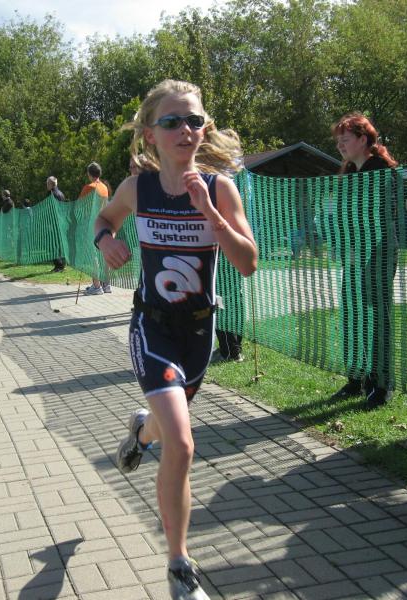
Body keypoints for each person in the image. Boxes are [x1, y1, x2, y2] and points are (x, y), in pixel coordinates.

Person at [94, 79, 257, 599]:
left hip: (199, 332)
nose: (185, 129)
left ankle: (141, 433)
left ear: (203, 129)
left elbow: (248, 263)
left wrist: (211, 214)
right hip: (153, 328)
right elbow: (104, 219)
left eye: (194, 120)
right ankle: (179, 565)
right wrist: (106, 241)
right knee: (183, 444)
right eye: (172, 122)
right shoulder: (136, 188)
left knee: (166, 430)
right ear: (151, 134)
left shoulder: (220, 188)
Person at [328, 112, 399, 409]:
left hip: (377, 254)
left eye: (345, 140)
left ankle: (381, 384)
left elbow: (386, 216)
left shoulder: (382, 170)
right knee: (353, 314)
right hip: (352, 255)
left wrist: (363, 246)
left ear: (363, 139)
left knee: (377, 318)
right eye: (338, 141)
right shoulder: (348, 172)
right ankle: (356, 378)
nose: (340, 146)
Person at [79, 162, 111, 294]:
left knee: (93, 255)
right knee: (103, 254)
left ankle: (97, 286)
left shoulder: (89, 188)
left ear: (89, 174)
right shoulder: (104, 187)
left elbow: (80, 207)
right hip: (104, 224)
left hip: (91, 225)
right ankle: (106, 285)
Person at [47, 176, 69, 273]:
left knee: (53, 244)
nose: (46, 185)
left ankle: (59, 266)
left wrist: (49, 222)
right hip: (61, 222)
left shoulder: (52, 194)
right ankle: (61, 265)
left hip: (54, 222)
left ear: (50, 184)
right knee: (59, 244)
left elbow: (51, 210)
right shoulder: (61, 193)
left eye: (47, 183)